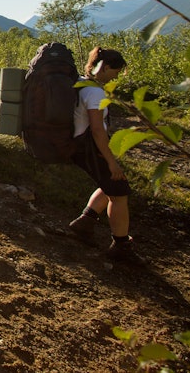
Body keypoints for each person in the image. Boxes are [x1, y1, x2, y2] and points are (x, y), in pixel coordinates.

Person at [66, 47, 145, 266]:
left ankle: (85, 222)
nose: (116, 77)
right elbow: (97, 130)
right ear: (106, 67)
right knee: (119, 192)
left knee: (112, 183)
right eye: (115, 72)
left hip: (81, 145)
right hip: (90, 148)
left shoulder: (81, 83)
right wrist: (111, 161)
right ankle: (121, 245)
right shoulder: (94, 93)